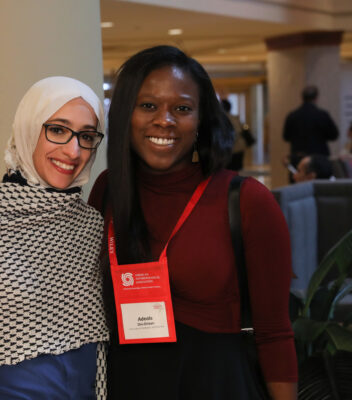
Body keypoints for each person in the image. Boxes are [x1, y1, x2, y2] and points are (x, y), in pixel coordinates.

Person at [88, 46, 297, 399]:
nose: (165, 121)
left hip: (216, 384)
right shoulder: (109, 190)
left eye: (182, 109)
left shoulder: (246, 200)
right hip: (128, 383)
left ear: (201, 120)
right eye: (149, 106)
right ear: (126, 113)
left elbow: (274, 332)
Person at [0, 76, 109, 399]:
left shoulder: (91, 226)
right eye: (58, 130)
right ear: (29, 129)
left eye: (87, 136)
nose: (73, 151)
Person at [283, 85, 338, 167]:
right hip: (319, 159)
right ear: (316, 98)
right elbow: (334, 135)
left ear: (302, 97)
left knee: (299, 178)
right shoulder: (322, 115)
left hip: (298, 159)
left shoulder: (293, 116)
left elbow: (286, 136)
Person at [222, 98, 246, 171]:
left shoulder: (227, 118)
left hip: (233, 150)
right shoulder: (234, 118)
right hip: (235, 149)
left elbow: (236, 133)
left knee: (230, 172)